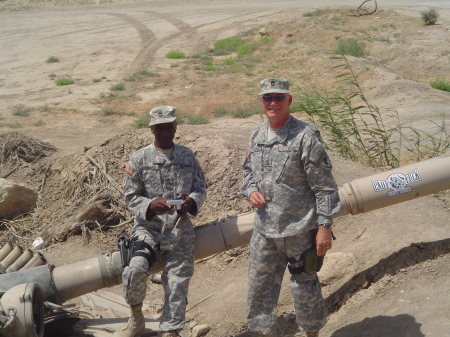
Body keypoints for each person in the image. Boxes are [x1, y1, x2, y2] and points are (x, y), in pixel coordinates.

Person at [239, 78, 340, 337]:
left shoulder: (305, 136)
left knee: (304, 287)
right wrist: (251, 190)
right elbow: (248, 171)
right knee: (259, 289)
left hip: (298, 230)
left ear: (289, 100)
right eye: (267, 98)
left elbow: (325, 187)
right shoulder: (257, 134)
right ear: (261, 101)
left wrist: (324, 227)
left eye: (279, 98)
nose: (273, 103)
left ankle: (312, 333)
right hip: (264, 230)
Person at [114, 105, 207, 337]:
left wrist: (191, 202)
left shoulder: (187, 156)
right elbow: (130, 196)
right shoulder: (138, 159)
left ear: (175, 128)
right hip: (147, 229)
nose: (165, 132)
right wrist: (150, 205)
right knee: (134, 270)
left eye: (169, 127)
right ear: (152, 129)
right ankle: (136, 319)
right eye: (160, 128)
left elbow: (200, 188)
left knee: (177, 282)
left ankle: (171, 331)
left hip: (179, 231)